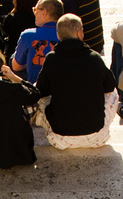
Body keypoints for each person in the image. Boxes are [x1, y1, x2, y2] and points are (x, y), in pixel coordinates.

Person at [34, 13, 117, 149]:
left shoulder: (52, 59)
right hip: (96, 136)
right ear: (80, 34)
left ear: (59, 36)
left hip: (60, 139)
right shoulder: (95, 58)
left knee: (41, 96)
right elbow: (109, 86)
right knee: (113, 93)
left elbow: (41, 91)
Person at [11, 0, 64, 78]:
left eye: (35, 9)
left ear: (44, 12)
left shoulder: (28, 35)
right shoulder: (67, 36)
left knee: (13, 58)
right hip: (60, 86)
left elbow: (16, 67)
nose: (34, 13)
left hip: (35, 87)